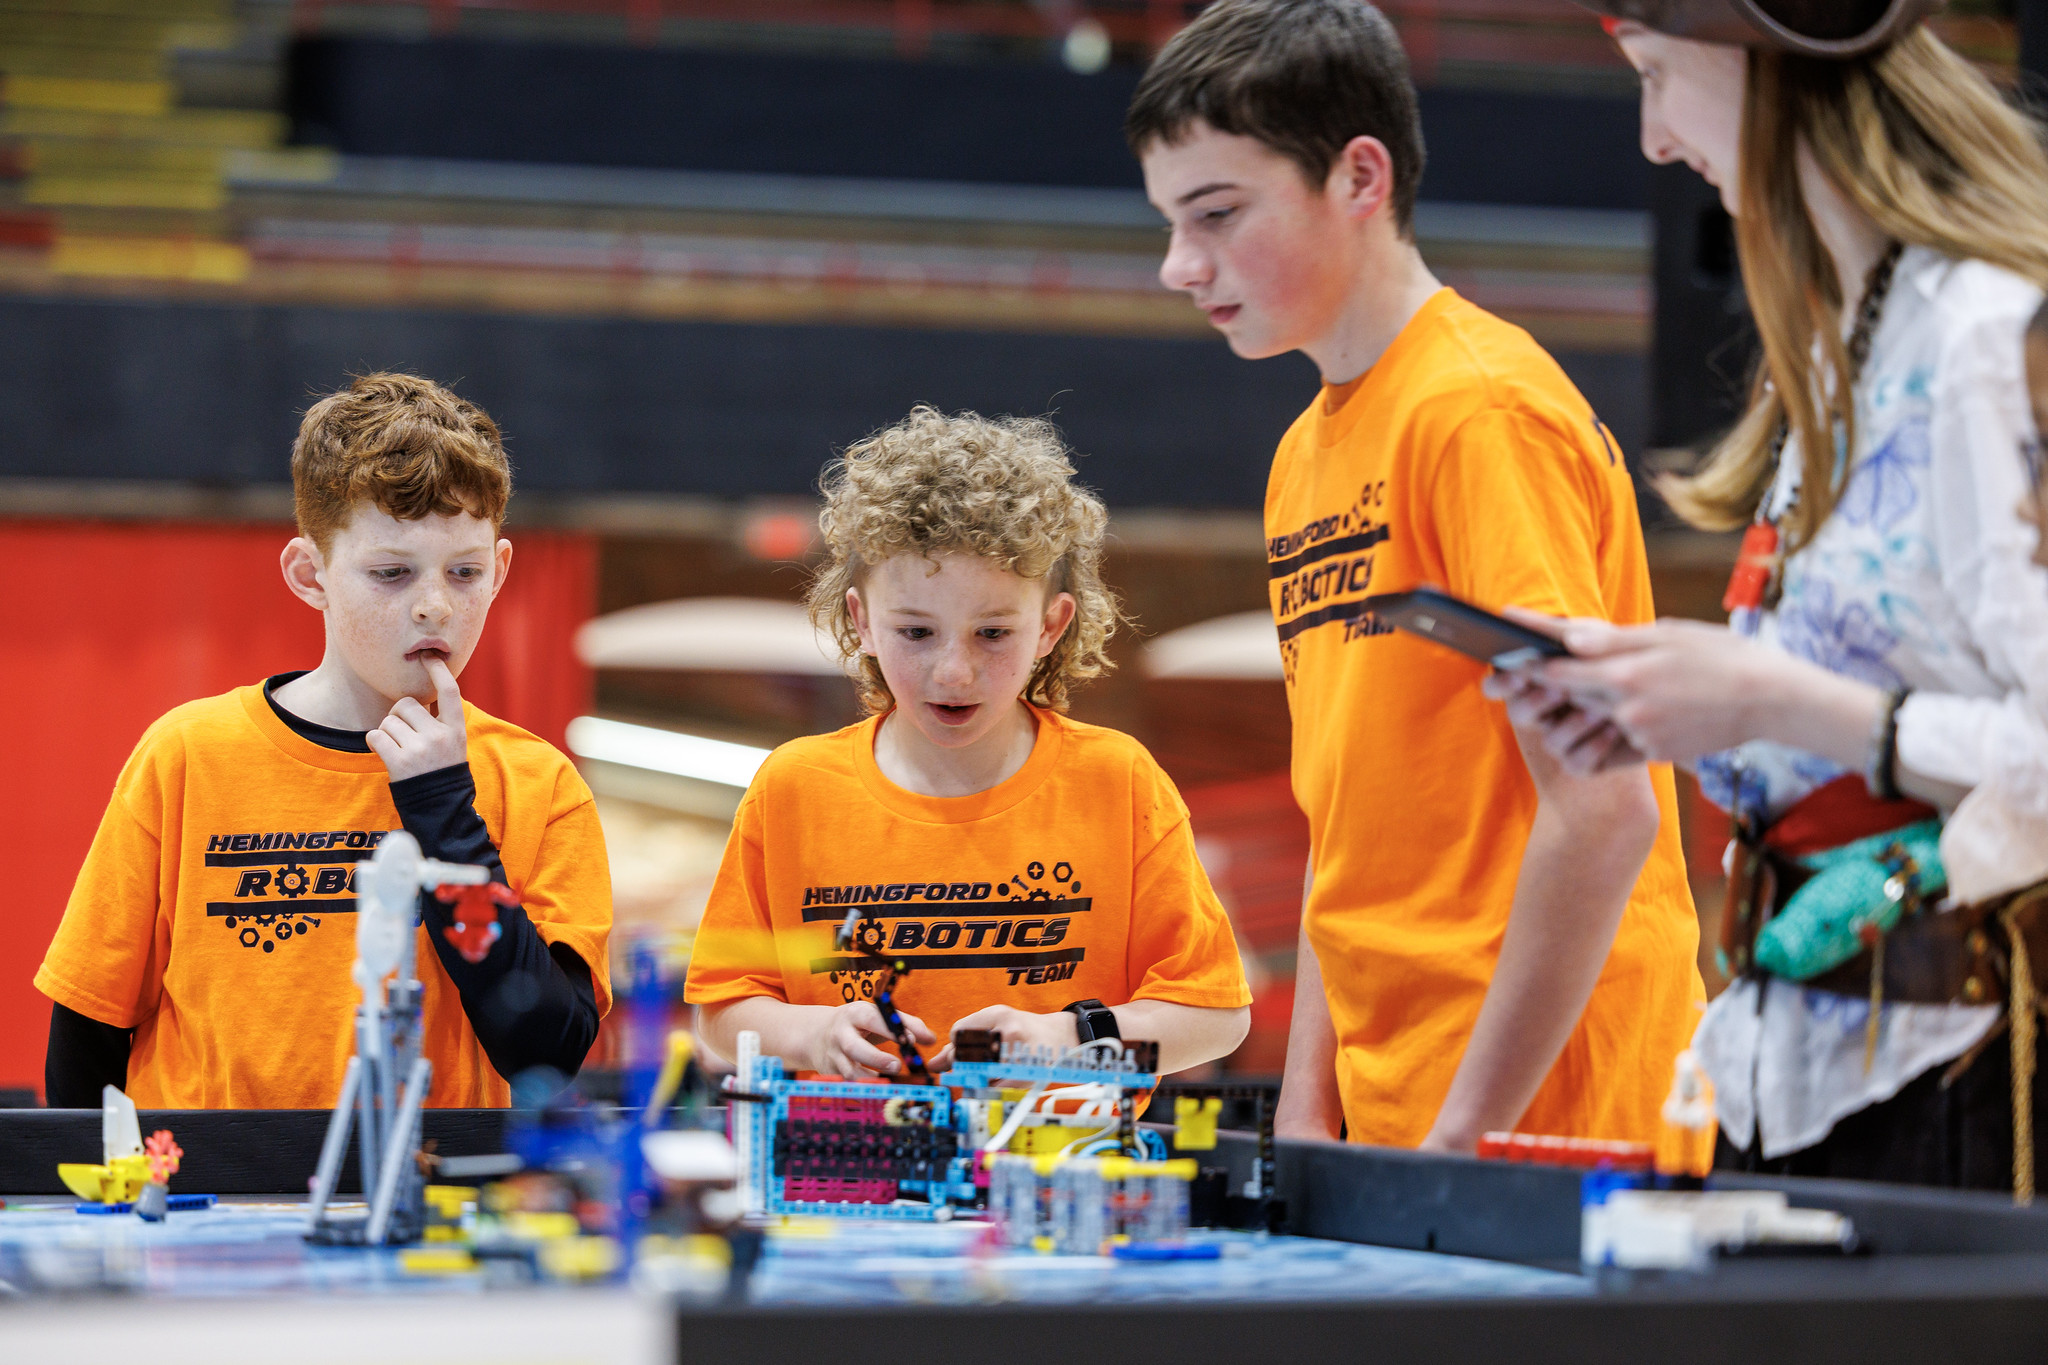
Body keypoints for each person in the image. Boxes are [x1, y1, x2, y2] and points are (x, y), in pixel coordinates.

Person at [1125, 0, 1703, 1152]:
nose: (1178, 266)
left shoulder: (1476, 412)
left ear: (1358, 177)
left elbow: (1601, 812)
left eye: (1218, 215)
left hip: (1540, 1116)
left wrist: (1463, 1140)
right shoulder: (1305, 452)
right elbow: (1352, 827)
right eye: (1170, 224)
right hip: (1401, 1110)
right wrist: (1307, 1098)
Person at [1496, 1, 2048, 1188]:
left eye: (1655, 75)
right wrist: (1666, 705)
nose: (1650, 137)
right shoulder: (1846, 340)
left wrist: (1764, 693)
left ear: (1766, 72)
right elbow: (1835, 721)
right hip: (1794, 1060)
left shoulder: (1984, 339)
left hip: (1957, 1067)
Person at [38, 373, 613, 1109]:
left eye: (464, 572)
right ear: (310, 574)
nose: (434, 605)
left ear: (500, 571)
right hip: (202, 1202)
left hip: (430, 1201)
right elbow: (86, 1034)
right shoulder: (185, 754)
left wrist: (446, 815)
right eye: (391, 573)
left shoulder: (537, 782)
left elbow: (548, 1052)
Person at [685, 408, 1252, 1079]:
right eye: (917, 632)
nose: (953, 671)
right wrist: (814, 1033)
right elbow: (721, 1009)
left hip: (1061, 1168)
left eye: (992, 633)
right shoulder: (794, 785)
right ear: (861, 621)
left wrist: (1072, 1037)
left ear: (1050, 626)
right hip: (843, 1170)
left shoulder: (1117, 780)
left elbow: (1215, 1013)